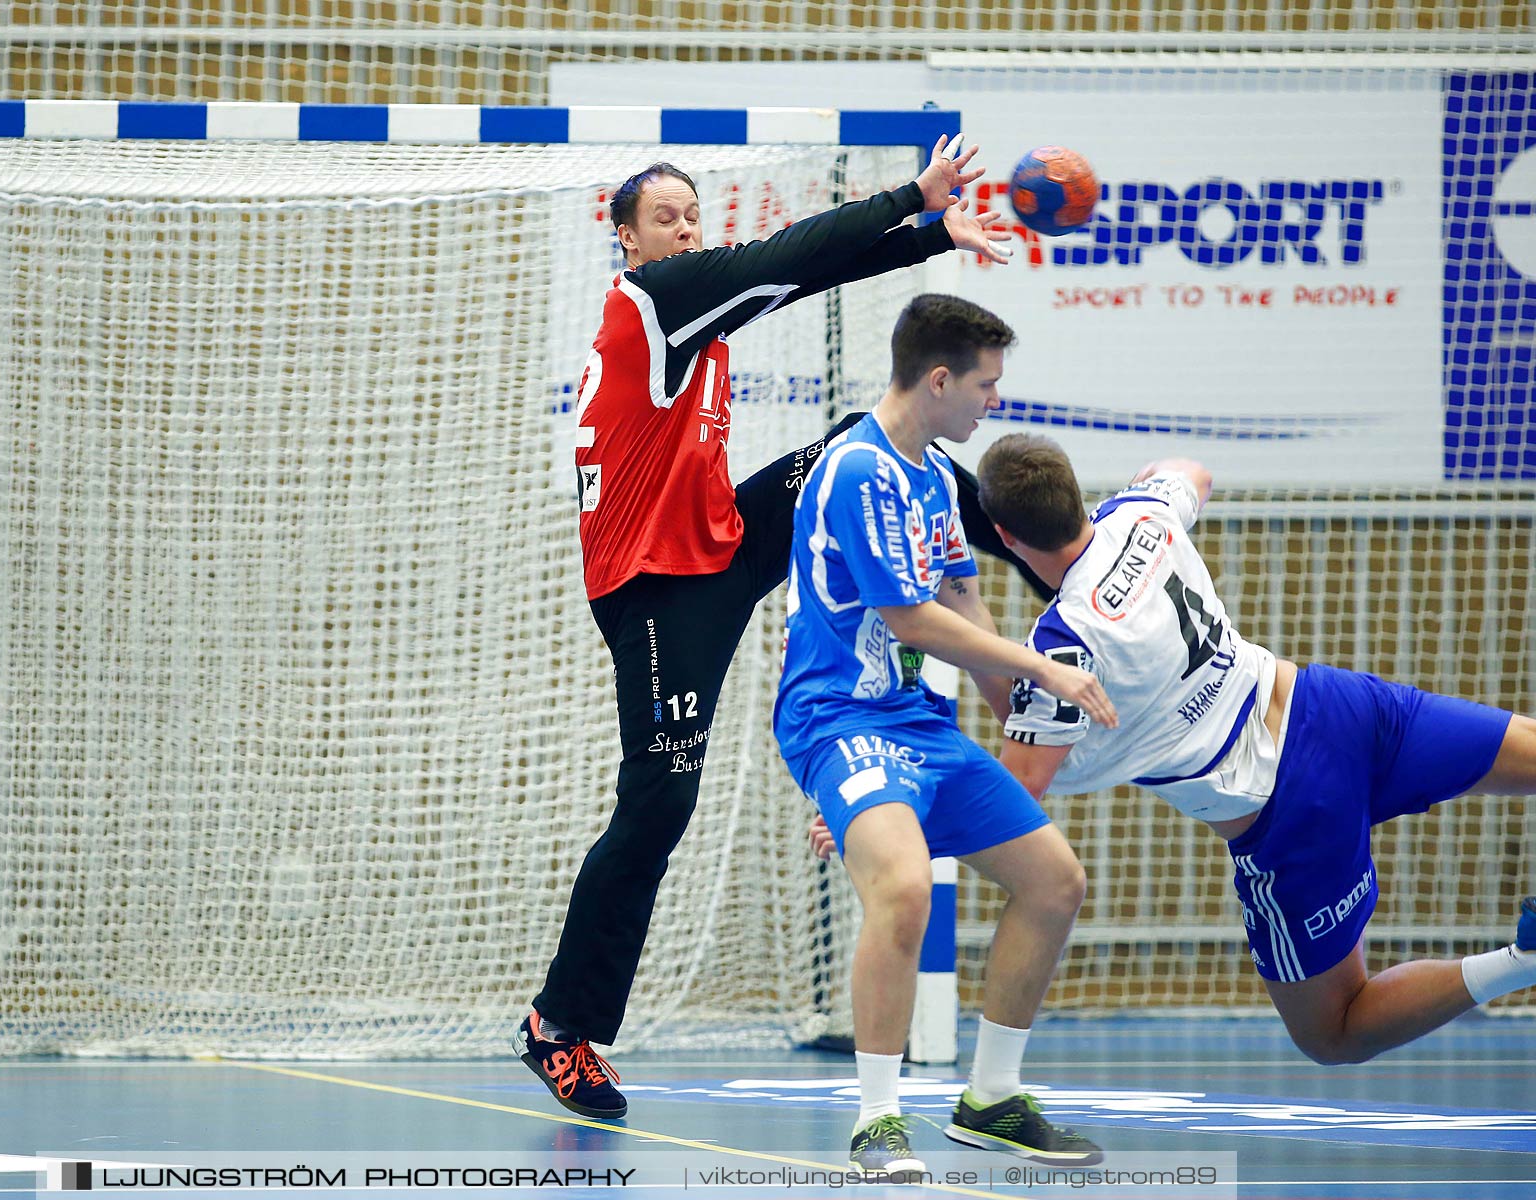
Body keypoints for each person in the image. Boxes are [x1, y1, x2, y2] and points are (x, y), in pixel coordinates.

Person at [515, 139, 1022, 1123]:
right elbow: (784, 261)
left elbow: (788, 274)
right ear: (624, 240)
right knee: (659, 804)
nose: (688, 231)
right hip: (660, 590)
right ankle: (558, 1026)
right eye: (666, 219)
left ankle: (1042, 546)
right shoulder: (656, 304)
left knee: (856, 441)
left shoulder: (689, 313)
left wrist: (924, 238)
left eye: (694, 218)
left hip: (722, 541)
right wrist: (911, 205)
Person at [967, 431, 1536, 1066]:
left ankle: (1522, 963)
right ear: (1073, 492)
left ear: (1006, 538)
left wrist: (958, 603)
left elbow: (1016, 789)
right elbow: (1191, 469)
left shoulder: (1063, 645)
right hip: (1338, 711)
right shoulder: (1138, 515)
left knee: (1335, 1031)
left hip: (1289, 809)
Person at [776, 294, 1114, 1176]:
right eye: (985, 386)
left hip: (917, 725)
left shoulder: (929, 476)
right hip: (841, 718)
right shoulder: (861, 471)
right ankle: (878, 1120)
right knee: (904, 889)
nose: (991, 402)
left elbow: (962, 599)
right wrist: (1044, 668)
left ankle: (991, 1100)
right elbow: (915, 621)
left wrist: (1014, 708)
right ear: (938, 380)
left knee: (1054, 882)